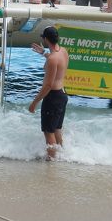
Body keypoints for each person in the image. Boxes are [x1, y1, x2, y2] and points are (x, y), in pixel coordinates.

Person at [28, 26, 69, 161]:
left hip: (53, 97)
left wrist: (34, 102)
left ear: (45, 39)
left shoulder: (51, 60)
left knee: (48, 132)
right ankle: (62, 156)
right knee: (57, 128)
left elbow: (48, 85)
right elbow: (56, 60)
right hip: (62, 94)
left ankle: (51, 164)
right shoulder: (63, 51)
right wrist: (43, 53)